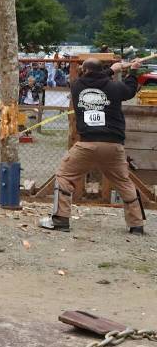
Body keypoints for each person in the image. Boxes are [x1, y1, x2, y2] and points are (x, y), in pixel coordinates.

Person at [40, 58, 146, 235]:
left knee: (64, 176)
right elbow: (130, 90)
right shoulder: (115, 87)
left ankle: (60, 219)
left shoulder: (77, 86)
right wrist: (133, 71)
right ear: (101, 70)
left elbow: (94, 78)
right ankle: (136, 224)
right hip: (114, 145)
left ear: (84, 70)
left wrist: (111, 70)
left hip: (87, 144)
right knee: (124, 182)